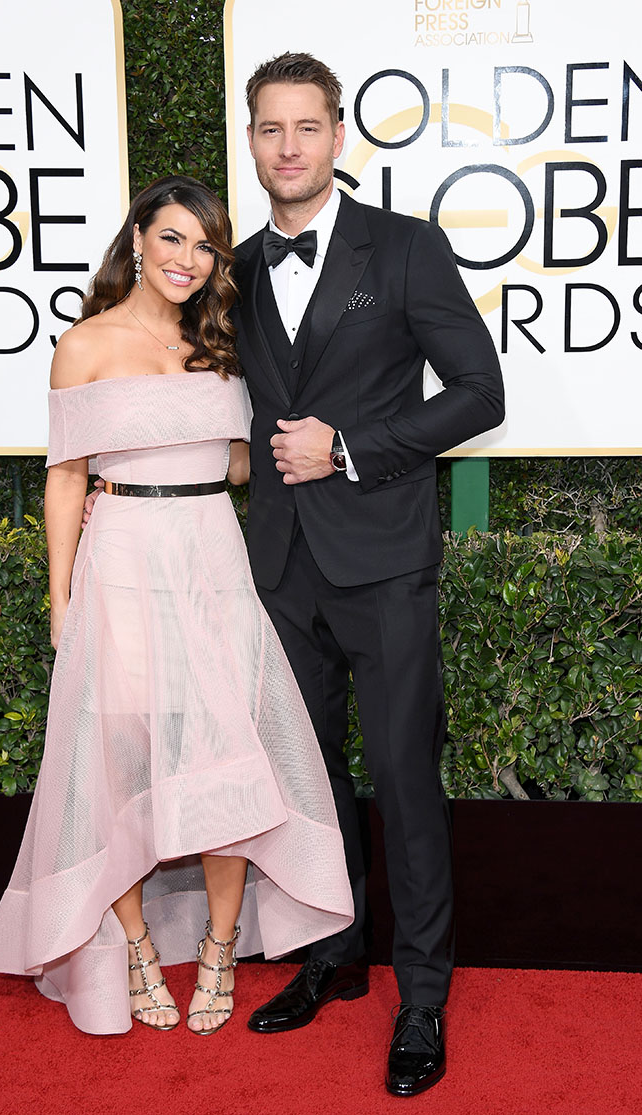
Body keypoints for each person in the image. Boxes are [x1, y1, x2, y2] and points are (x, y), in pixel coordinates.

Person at [0, 175, 354, 1037]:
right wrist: (60, 597)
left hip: (211, 559)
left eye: (206, 244)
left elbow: (233, 463)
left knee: (224, 753)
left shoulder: (222, 343)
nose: (189, 258)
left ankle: (221, 947)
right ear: (138, 237)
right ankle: (137, 948)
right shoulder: (83, 345)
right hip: (123, 560)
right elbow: (65, 479)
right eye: (173, 238)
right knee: (120, 764)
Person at [232, 54, 505, 1096]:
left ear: (338, 135)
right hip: (281, 567)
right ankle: (331, 954)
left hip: (383, 563)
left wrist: (349, 445)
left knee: (400, 781)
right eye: (269, 129)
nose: (288, 146)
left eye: (306, 127)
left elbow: (478, 392)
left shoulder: (402, 248)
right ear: (252, 140)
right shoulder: (240, 267)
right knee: (307, 785)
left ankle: (423, 996)